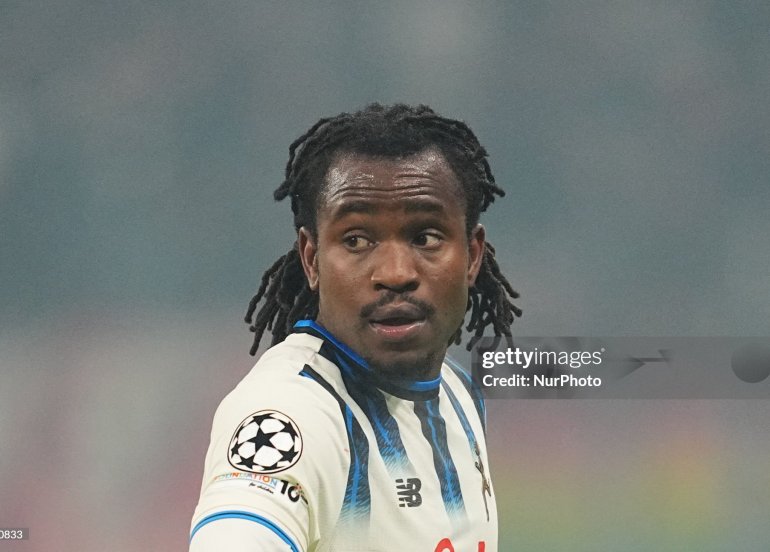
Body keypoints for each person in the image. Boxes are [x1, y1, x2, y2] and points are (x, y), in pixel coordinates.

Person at [189, 103, 521, 551]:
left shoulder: (458, 393)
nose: (396, 272)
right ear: (312, 259)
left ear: (473, 255)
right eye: (357, 240)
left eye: (425, 237)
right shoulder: (293, 412)